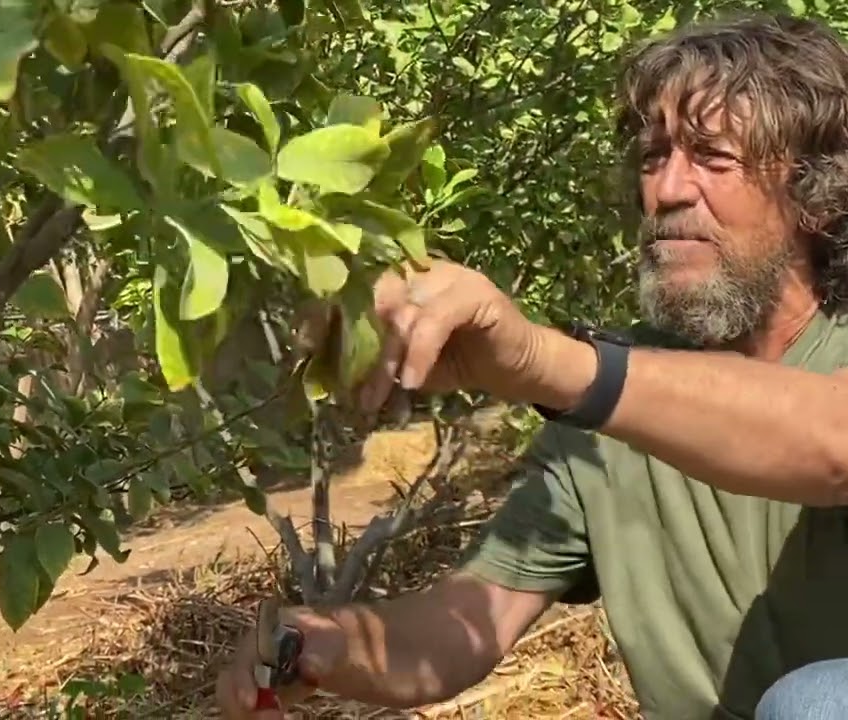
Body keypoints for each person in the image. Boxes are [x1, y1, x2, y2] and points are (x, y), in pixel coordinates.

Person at [216, 12, 848, 720]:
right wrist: (323, 643)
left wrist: (539, 359)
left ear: (813, 193)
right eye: (652, 157)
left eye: (712, 157)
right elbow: (470, 618)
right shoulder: (612, 417)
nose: (666, 191)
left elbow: (831, 440)